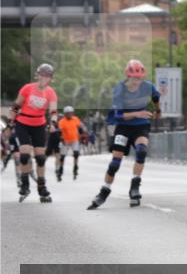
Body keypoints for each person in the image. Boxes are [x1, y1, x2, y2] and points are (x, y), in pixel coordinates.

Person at [88, 59, 161, 210]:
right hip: (123, 127)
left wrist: (158, 110)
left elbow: (155, 97)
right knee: (115, 163)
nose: (137, 82)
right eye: (134, 78)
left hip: (141, 126)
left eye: (139, 78)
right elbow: (118, 115)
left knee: (141, 151)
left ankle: (135, 186)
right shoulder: (120, 89)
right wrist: (137, 113)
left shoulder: (147, 86)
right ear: (128, 76)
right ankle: (104, 192)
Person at [11, 64, 58, 202]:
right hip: (23, 123)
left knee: (40, 158)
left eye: (47, 76)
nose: (44, 78)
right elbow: (16, 106)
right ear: (37, 75)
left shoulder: (51, 92)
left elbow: (53, 111)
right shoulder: (27, 88)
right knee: (24, 155)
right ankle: (25, 184)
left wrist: (53, 123)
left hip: (39, 124)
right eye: (42, 75)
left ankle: (41, 187)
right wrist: (10, 122)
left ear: (50, 78)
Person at [58, 105, 87, 180]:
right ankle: (60, 170)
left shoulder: (75, 119)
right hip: (65, 140)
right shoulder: (62, 121)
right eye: (68, 113)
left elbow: (81, 127)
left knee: (76, 154)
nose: (70, 115)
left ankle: (75, 168)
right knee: (62, 157)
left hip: (74, 139)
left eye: (71, 113)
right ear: (65, 114)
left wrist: (83, 134)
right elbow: (60, 131)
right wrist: (61, 138)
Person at [45, 115, 62, 180]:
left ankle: (57, 168)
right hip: (51, 141)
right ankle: (41, 164)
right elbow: (49, 130)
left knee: (58, 155)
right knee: (47, 154)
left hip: (58, 142)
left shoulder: (61, 125)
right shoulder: (50, 125)